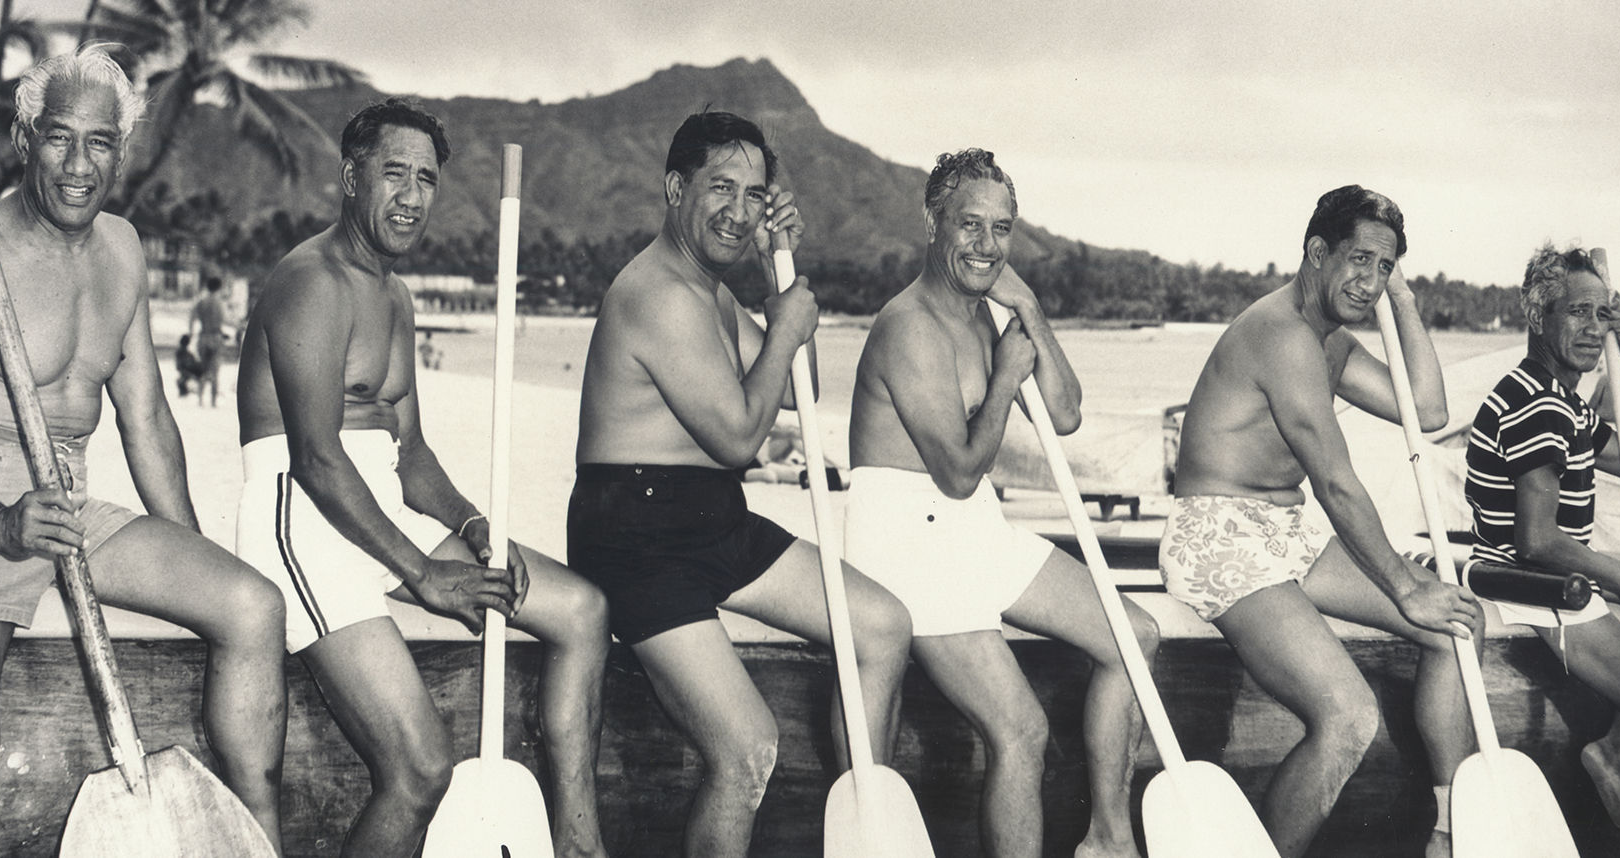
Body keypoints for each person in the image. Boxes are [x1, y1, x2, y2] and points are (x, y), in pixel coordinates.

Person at [0, 44, 286, 854]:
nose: (78, 163)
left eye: (99, 141)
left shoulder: (122, 250)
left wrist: (188, 556)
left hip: (67, 502)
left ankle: (250, 836)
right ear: (24, 141)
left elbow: (148, 418)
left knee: (251, 606)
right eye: (59, 137)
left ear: (122, 150)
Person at [233, 98, 610, 857]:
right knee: (419, 768)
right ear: (350, 176)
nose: (411, 197)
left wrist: (475, 529)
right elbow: (317, 457)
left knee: (581, 611)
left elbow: (409, 456)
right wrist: (423, 575)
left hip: (374, 513)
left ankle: (577, 842)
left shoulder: (394, 295)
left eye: (427, 180)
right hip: (302, 518)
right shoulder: (312, 281)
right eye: (393, 174)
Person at [570, 110, 912, 857]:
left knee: (883, 627)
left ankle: (867, 832)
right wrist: (787, 325)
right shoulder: (657, 292)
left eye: (755, 195)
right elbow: (737, 435)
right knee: (749, 745)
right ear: (674, 187)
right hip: (635, 535)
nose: (738, 209)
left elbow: (801, 387)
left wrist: (775, 269)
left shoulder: (713, 292)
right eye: (720, 187)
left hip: (714, 520)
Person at [846, 148, 1158, 858]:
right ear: (933, 222)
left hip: (971, 527)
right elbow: (956, 470)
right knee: (1021, 730)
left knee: (1134, 640)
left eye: (1002, 229)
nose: (987, 246)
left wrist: (1032, 314)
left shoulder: (984, 315)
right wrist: (1005, 376)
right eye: (971, 226)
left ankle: (1107, 839)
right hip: (908, 539)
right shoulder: (910, 327)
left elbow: (1067, 413)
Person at [1163, 185, 1482, 858]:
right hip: (1217, 534)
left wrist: (1406, 303)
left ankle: (1449, 831)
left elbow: (1428, 410)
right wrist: (1404, 587)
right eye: (1360, 260)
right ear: (1317, 253)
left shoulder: (1328, 341)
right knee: (1349, 715)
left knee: (1456, 630)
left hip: (1287, 533)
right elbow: (1337, 483)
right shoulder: (1281, 337)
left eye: (1386, 267)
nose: (1369, 281)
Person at [1462, 244, 1620, 828]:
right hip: (1532, 580)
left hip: (1563, 567)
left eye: (1602, 315)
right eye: (1577, 312)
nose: (1591, 328)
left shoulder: (1566, 403)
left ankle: (1616, 746)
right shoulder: (1537, 406)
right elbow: (1536, 541)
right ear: (1538, 317)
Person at [189, 274, 228, 406]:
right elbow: (226, 320)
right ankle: (213, 401)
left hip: (203, 336)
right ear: (219, 288)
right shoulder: (220, 303)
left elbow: (192, 319)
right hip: (216, 337)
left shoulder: (201, 302)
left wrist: (191, 334)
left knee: (204, 369)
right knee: (215, 370)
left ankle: (200, 399)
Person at [175, 332, 204, 396]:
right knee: (181, 381)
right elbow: (183, 365)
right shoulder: (182, 352)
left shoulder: (186, 352)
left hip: (188, 370)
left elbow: (191, 363)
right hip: (187, 371)